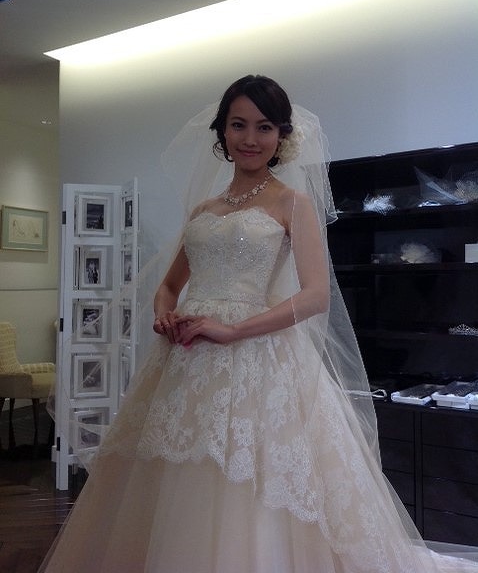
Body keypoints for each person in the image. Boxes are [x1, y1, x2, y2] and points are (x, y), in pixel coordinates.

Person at [41, 75, 478, 572]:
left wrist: (231, 330)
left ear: (282, 135)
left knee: (252, 472)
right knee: (177, 471)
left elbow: (315, 296)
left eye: (264, 126)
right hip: (186, 358)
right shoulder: (203, 210)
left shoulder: (293, 203)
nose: (250, 138)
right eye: (239, 125)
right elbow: (168, 286)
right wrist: (165, 314)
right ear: (222, 132)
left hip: (259, 356)